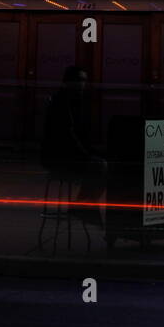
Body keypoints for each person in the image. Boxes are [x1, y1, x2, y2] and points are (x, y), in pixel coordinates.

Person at [40, 66, 106, 225]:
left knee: (101, 164)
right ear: (68, 83)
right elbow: (67, 136)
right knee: (100, 166)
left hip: (66, 153)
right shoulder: (62, 103)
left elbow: (77, 136)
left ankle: (83, 206)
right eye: (79, 80)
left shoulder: (74, 102)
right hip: (58, 156)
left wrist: (90, 152)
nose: (82, 84)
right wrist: (87, 154)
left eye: (84, 80)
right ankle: (83, 206)